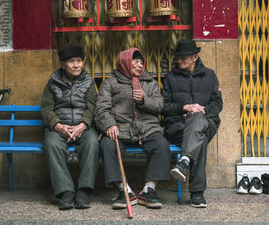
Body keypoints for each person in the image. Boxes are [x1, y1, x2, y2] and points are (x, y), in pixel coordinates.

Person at [95, 48, 170, 209]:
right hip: (119, 127)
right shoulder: (110, 83)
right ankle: (124, 190)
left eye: (141, 62)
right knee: (107, 145)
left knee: (161, 144)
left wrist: (144, 100)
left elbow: (159, 106)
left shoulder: (150, 82)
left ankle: (149, 190)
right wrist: (109, 124)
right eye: (135, 61)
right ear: (125, 62)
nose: (139, 65)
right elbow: (101, 108)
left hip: (147, 128)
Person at [161, 39, 223, 208]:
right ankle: (197, 193)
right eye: (178, 57)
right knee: (199, 140)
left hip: (206, 123)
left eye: (184, 57)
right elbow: (163, 106)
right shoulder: (170, 78)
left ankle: (184, 161)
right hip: (178, 126)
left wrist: (200, 112)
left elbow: (218, 103)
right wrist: (184, 107)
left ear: (195, 56)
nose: (179, 60)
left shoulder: (209, 75)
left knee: (197, 121)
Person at [41, 44, 99, 210]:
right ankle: (65, 192)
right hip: (60, 126)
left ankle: (83, 191)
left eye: (79, 61)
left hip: (83, 127)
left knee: (92, 143)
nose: (76, 65)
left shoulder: (88, 81)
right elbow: (46, 108)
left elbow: (92, 106)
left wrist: (83, 125)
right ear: (63, 64)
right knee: (52, 144)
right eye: (71, 61)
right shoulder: (53, 82)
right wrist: (58, 126)